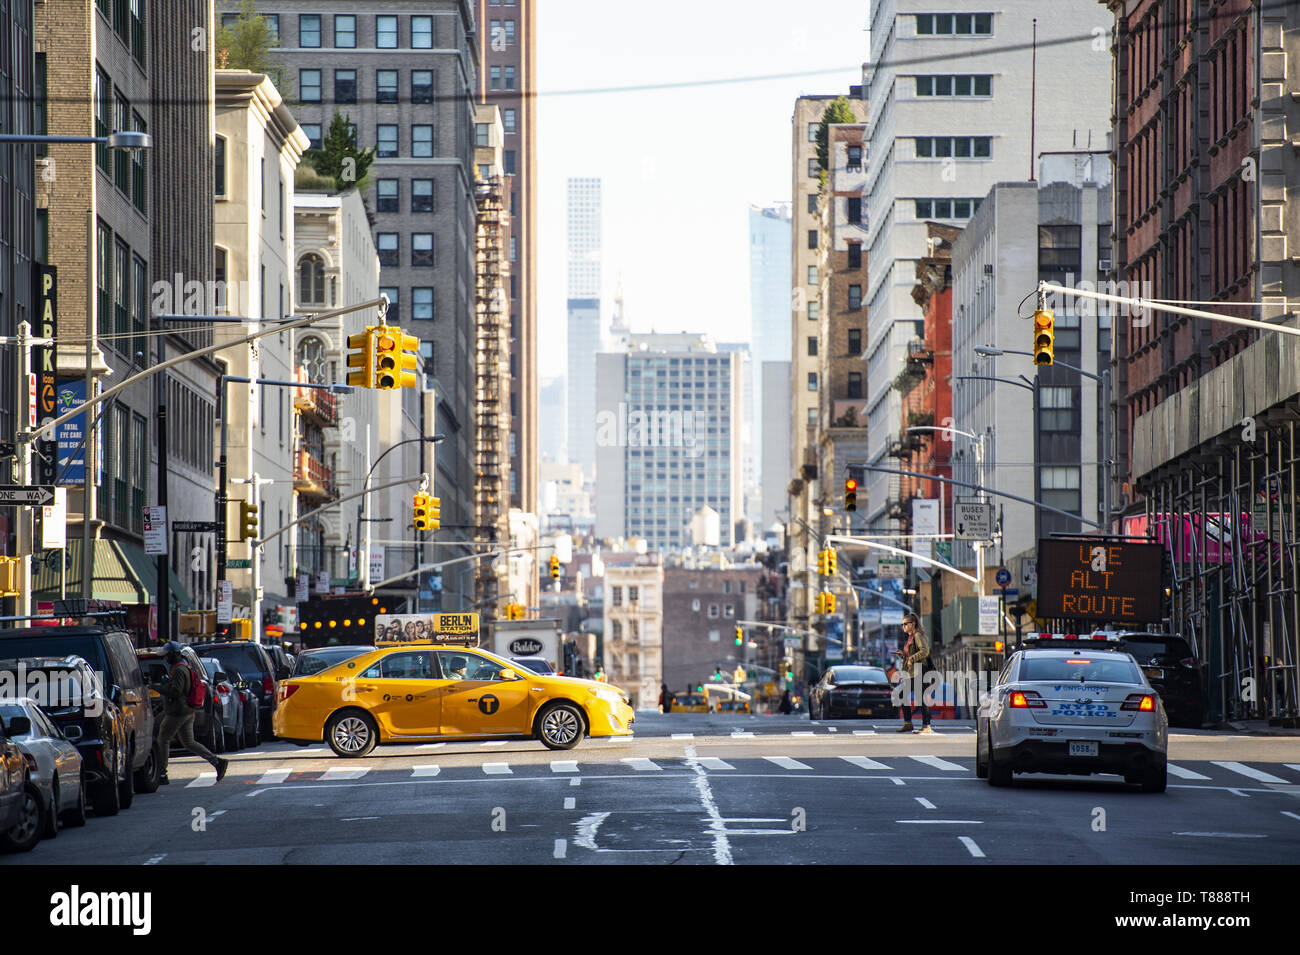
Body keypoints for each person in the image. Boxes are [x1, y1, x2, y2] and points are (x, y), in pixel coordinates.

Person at [156, 642, 228, 785]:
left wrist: (157, 688)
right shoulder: (183, 668)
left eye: (167, 655)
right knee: (189, 742)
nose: (165, 658)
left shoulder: (178, 670)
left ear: (174, 654)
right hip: (187, 711)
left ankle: (161, 773)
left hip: (178, 712)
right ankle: (217, 761)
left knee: (163, 739)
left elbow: (176, 691)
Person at [895, 612, 935, 734]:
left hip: (919, 671)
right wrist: (903, 655)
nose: (903, 627)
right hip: (911, 673)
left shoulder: (918, 635)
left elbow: (925, 651)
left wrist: (911, 659)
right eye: (902, 625)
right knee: (902, 695)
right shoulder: (910, 638)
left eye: (905, 624)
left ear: (913, 624)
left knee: (919, 697)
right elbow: (910, 655)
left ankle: (926, 726)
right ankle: (908, 723)